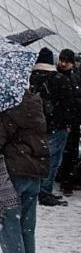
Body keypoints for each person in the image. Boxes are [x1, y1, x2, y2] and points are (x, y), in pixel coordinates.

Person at [0, 86, 49, 253]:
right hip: (33, 170)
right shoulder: (34, 102)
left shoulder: (3, 106)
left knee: (8, 227)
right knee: (27, 228)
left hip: (10, 173)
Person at [29, 48, 73, 206]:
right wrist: (68, 123)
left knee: (38, 156)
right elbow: (69, 103)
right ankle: (45, 191)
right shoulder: (60, 79)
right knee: (53, 159)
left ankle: (36, 189)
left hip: (36, 125)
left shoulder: (31, 78)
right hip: (57, 125)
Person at [56, 48, 81, 196]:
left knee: (70, 152)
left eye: (67, 61)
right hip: (61, 121)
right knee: (59, 151)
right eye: (62, 60)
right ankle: (62, 179)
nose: (63, 63)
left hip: (74, 119)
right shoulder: (56, 76)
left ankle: (67, 182)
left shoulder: (76, 77)